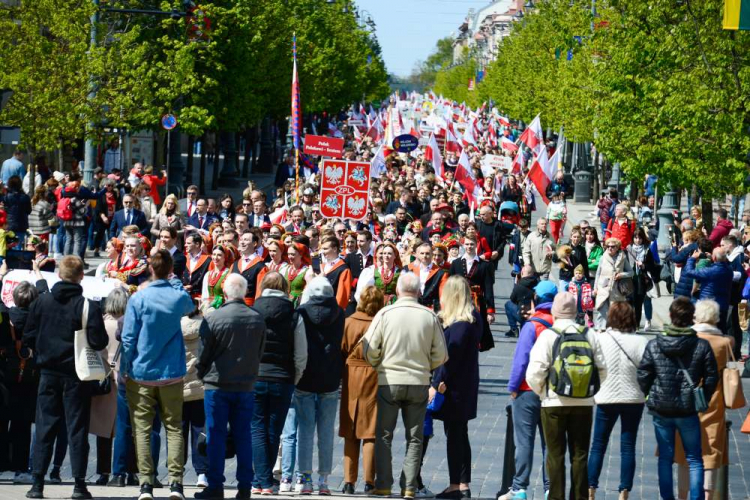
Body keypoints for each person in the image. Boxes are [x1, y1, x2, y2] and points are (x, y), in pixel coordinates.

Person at [23, 255, 108, 500]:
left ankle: (37, 484)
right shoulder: (87, 305)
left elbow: (28, 334)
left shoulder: (42, 302)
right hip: (76, 374)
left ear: (59, 274)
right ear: (82, 276)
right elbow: (98, 341)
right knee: (77, 429)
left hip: (48, 373)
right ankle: (79, 485)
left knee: (45, 428)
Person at [362, 272, 447, 499]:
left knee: (384, 435)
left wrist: (379, 363)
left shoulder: (385, 313)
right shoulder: (429, 316)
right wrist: (425, 365)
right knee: (415, 437)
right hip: (418, 381)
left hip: (389, 380)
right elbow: (441, 354)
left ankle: (383, 485)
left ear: (398, 290)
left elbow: (369, 348)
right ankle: (409, 486)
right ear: (419, 291)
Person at [120, 250, 195, 500]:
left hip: (141, 371)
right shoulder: (176, 296)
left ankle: (146, 485)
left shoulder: (139, 298)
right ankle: (175, 483)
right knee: (174, 427)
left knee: (141, 429)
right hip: (171, 371)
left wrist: (124, 368)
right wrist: (173, 280)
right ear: (170, 269)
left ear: (150, 269)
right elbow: (189, 303)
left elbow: (129, 338)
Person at [526, 292, 606, 500]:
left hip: (553, 402)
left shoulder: (548, 335)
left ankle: (556, 497)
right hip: (584, 403)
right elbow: (602, 369)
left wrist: (543, 392)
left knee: (555, 455)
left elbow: (534, 373)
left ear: (555, 311)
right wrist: (589, 392)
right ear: (575, 310)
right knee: (580, 455)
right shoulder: (589, 334)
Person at [637, 297, 719, 500]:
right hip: (688, 408)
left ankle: (667, 498)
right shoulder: (701, 345)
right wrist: (703, 398)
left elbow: (643, 374)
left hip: (661, 407)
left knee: (665, 458)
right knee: (694, 458)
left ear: (671, 317)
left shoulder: (656, 344)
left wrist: (649, 395)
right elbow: (711, 376)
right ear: (692, 318)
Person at [194, 274, 266, 500]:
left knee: (215, 435)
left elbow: (203, 351)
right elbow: (260, 351)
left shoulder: (215, 318)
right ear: (244, 293)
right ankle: (245, 485)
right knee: (243, 435)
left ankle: (215, 485)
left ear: (225, 293)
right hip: (245, 384)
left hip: (217, 384)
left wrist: (201, 371)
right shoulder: (257, 318)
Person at [500, 281, 557, 500]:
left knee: (524, 441)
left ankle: (520, 488)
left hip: (527, 390)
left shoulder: (532, 326)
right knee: (548, 444)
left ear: (536, 299)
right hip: (552, 393)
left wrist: (513, 388)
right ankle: (550, 488)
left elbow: (521, 361)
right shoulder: (560, 325)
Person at [252, 272, 308, 495]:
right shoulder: (294, 314)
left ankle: (260, 481)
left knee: (256, 428)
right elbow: (301, 353)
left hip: (256, 376)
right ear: (285, 288)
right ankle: (265, 482)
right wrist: (295, 376)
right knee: (274, 430)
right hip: (283, 377)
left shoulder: (253, 311)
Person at [587, 302, 649, 500]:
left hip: (606, 396)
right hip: (634, 397)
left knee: (598, 444)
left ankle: (591, 488)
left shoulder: (600, 339)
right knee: (628, 445)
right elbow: (647, 371)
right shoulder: (642, 342)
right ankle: (624, 491)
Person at [674, 300, 732, 500]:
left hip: (686, 400)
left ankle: (682, 495)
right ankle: (707, 496)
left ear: (696, 316)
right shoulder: (725, 343)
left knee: (684, 454)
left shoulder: (685, 340)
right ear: (715, 318)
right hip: (713, 401)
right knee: (711, 453)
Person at [293, 276, 346, 495]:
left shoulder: (301, 312)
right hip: (330, 377)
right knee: (326, 430)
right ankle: (324, 480)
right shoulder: (340, 313)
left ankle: (305, 478)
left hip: (306, 375)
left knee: (304, 430)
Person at [431, 276, 481, 500]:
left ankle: (456, 485)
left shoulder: (460, 325)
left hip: (455, 388)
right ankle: (462, 484)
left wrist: (436, 383)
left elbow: (449, 359)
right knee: (460, 434)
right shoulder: (473, 319)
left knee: (455, 436)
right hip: (466, 384)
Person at [0, 268, 47, 485]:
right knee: (22, 425)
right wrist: (39, 278)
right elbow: (47, 298)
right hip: (30, 376)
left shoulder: (6, 316)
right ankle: (20, 467)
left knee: (2, 421)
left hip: (4, 376)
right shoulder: (40, 319)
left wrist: (1, 277)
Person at [339, 285, 385, 496]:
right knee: (370, 430)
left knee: (350, 429)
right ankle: (369, 480)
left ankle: (348, 481)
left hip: (350, 374)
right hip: (374, 374)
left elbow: (341, 349)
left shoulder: (348, 322)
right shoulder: (381, 323)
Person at [90, 288, 129, 487]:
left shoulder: (103, 324)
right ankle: (129, 471)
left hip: (104, 379)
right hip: (124, 379)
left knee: (103, 431)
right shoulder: (128, 325)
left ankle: (103, 472)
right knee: (126, 429)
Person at [449, 234, 495, 351]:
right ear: (463, 245)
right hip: (459, 301)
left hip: (477, 302)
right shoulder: (456, 264)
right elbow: (450, 286)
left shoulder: (484, 265)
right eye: (467, 244)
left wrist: (490, 311)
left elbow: (488, 288)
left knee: (477, 328)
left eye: (472, 244)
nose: (469, 247)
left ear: (476, 245)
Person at [180, 301, 209, 489]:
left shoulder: (174, 327)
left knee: (177, 431)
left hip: (178, 386)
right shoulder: (205, 327)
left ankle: (177, 470)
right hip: (200, 387)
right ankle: (202, 473)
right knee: (201, 431)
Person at [682, 247, 733, 334]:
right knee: (721, 331)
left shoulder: (709, 271)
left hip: (709, 306)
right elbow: (724, 263)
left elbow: (689, 272)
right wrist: (713, 258)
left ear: (715, 258)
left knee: (706, 332)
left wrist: (692, 258)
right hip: (723, 306)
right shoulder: (729, 270)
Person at [593, 238, 633, 328]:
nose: (610, 248)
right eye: (608, 246)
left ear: (617, 247)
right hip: (603, 288)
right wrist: (595, 288)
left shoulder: (622, 258)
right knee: (602, 310)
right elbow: (598, 273)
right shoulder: (603, 257)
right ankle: (600, 329)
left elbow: (631, 272)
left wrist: (621, 275)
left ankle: (613, 330)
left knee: (615, 312)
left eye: (612, 247)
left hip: (616, 290)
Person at [626, 227, 659, 329]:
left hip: (641, 280)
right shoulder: (628, 249)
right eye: (635, 238)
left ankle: (636, 325)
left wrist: (644, 265)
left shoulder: (647, 249)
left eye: (639, 238)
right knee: (629, 302)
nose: (637, 240)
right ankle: (628, 323)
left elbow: (652, 266)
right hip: (630, 279)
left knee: (638, 303)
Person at [504, 265, 539, 338]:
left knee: (508, 304)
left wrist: (516, 284)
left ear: (522, 273)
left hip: (522, 315)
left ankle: (513, 329)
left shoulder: (519, 286)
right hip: (535, 315)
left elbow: (512, 299)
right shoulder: (538, 283)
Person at [4, 175, 31, 245]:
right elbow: (29, 210)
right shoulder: (25, 197)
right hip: (21, 224)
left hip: (8, 224)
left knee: (8, 246)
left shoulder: (6, 197)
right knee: (18, 246)